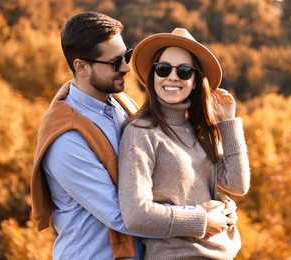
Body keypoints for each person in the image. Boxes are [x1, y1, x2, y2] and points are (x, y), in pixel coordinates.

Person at [30, 12, 239, 260]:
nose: (126, 68)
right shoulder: (66, 140)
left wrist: (216, 204)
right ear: (81, 67)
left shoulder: (122, 105)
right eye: (115, 62)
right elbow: (124, 214)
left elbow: (160, 179)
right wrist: (201, 218)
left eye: (126, 56)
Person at [118, 28, 251, 259]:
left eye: (184, 71)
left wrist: (227, 123)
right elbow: (135, 214)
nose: (172, 77)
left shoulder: (199, 132)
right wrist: (202, 219)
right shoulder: (140, 132)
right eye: (163, 69)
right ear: (153, 75)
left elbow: (238, 185)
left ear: (196, 81)